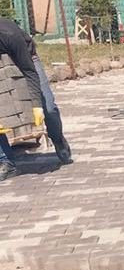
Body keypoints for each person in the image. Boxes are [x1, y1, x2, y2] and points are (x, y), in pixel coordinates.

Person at [0, 17, 71, 181]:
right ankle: (6, 161)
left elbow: (29, 71)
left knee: (48, 106)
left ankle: (57, 138)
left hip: (26, 60)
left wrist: (36, 106)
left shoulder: (9, 34)